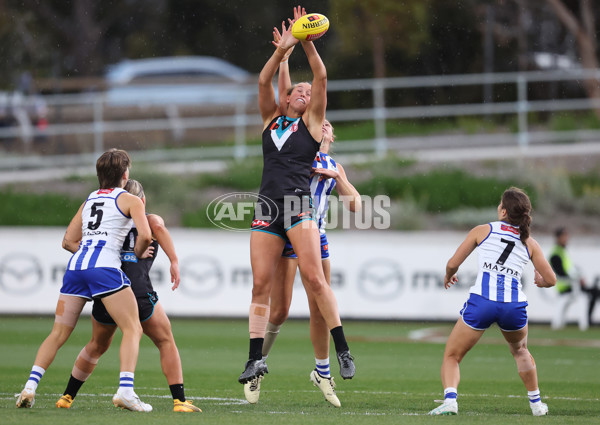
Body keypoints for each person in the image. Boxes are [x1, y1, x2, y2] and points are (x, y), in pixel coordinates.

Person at [243, 24, 361, 407]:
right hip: (267, 207)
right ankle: (253, 362)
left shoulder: (312, 126)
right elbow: (264, 82)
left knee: (314, 278)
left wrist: (307, 44)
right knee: (262, 286)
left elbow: (322, 76)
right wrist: (282, 53)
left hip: (297, 207)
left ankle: (341, 350)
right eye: (298, 90)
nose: (305, 93)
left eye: (309, 93)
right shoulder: (270, 120)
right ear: (286, 97)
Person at [16, 149, 153, 411]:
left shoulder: (89, 199)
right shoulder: (131, 200)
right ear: (125, 175)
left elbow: (68, 241)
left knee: (57, 333)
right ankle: (126, 391)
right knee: (133, 329)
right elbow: (145, 237)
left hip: (76, 268)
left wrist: (89, 254)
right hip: (105, 269)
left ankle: (29, 388)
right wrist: (135, 254)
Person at [54, 179, 201, 413]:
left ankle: (67, 396)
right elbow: (159, 228)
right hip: (138, 291)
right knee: (165, 340)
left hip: (108, 290)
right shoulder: (149, 221)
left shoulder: (110, 225)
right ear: (141, 201)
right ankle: (179, 401)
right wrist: (174, 261)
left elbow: (75, 243)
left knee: (96, 345)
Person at [427, 187, 556, 416]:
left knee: (452, 355)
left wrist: (449, 275)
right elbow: (551, 279)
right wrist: (540, 281)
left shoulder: (483, 230)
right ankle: (536, 405)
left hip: (482, 303)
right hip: (513, 307)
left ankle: (450, 401)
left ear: (504, 210)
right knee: (521, 351)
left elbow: (453, 262)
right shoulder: (530, 243)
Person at [549, 227, 588, 331]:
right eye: (564, 236)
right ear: (558, 237)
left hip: (570, 285)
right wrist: (576, 279)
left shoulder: (563, 251)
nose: (566, 238)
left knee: (583, 298)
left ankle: (581, 326)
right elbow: (560, 272)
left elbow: (570, 269)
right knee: (582, 299)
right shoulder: (556, 253)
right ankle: (583, 326)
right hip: (565, 287)